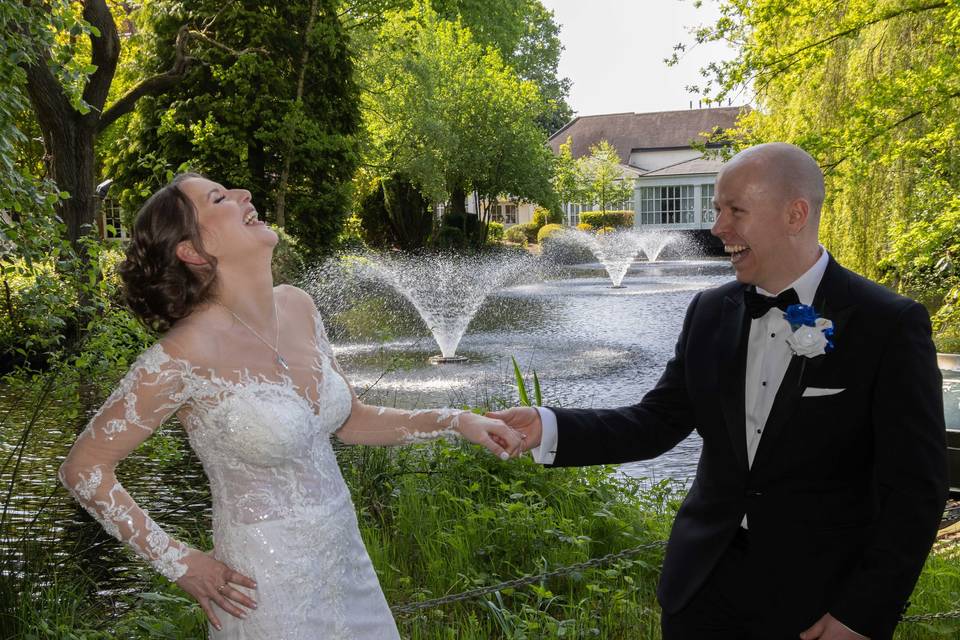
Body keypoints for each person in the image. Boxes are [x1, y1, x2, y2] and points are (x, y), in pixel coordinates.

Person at [489, 143, 948, 640]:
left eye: (735, 211)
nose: (717, 229)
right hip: (700, 593)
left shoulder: (889, 324)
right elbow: (656, 421)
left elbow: (916, 490)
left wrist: (860, 615)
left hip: (818, 606)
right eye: (716, 210)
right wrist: (548, 425)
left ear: (796, 214)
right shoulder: (709, 312)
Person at [58, 173, 523, 639]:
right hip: (266, 590)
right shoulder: (181, 355)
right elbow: (84, 468)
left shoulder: (299, 306)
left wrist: (456, 420)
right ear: (193, 251)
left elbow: (352, 420)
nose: (245, 195)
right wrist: (179, 561)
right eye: (219, 198)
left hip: (349, 570)